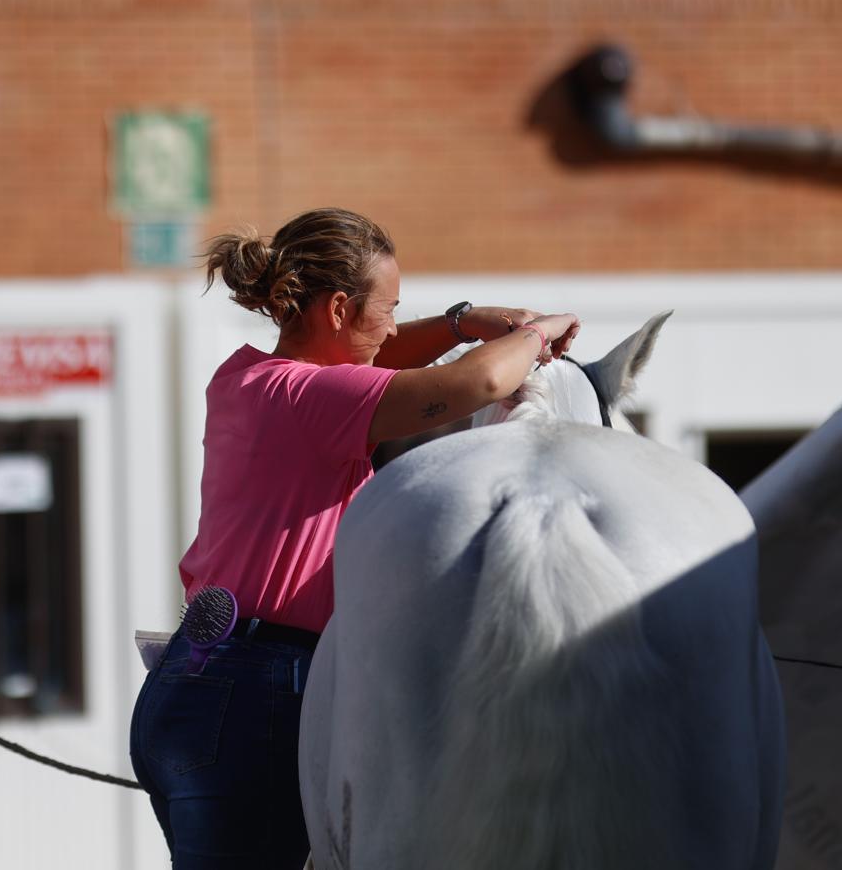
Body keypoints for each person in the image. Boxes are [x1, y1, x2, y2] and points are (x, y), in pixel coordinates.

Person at [128, 207, 580, 869]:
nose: (394, 327)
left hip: (198, 683)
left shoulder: (247, 375)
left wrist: (461, 323)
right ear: (339, 308)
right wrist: (540, 333)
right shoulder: (314, 400)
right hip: (256, 694)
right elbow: (478, 383)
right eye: (388, 308)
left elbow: (374, 356)